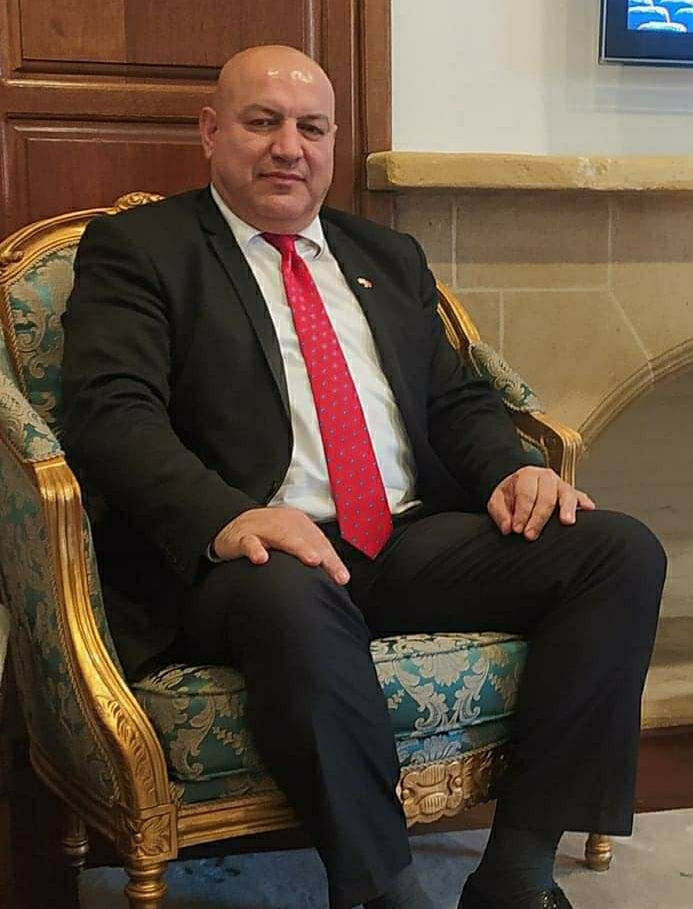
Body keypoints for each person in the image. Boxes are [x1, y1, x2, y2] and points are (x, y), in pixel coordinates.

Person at [61, 45, 666, 909]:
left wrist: (510, 470)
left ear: (333, 141)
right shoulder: (142, 249)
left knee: (617, 551)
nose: (289, 147)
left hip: (402, 537)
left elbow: (456, 398)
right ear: (210, 131)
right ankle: (385, 893)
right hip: (250, 558)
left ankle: (517, 874)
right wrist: (229, 516)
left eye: (311, 128)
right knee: (289, 590)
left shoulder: (385, 254)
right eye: (262, 122)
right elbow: (112, 415)